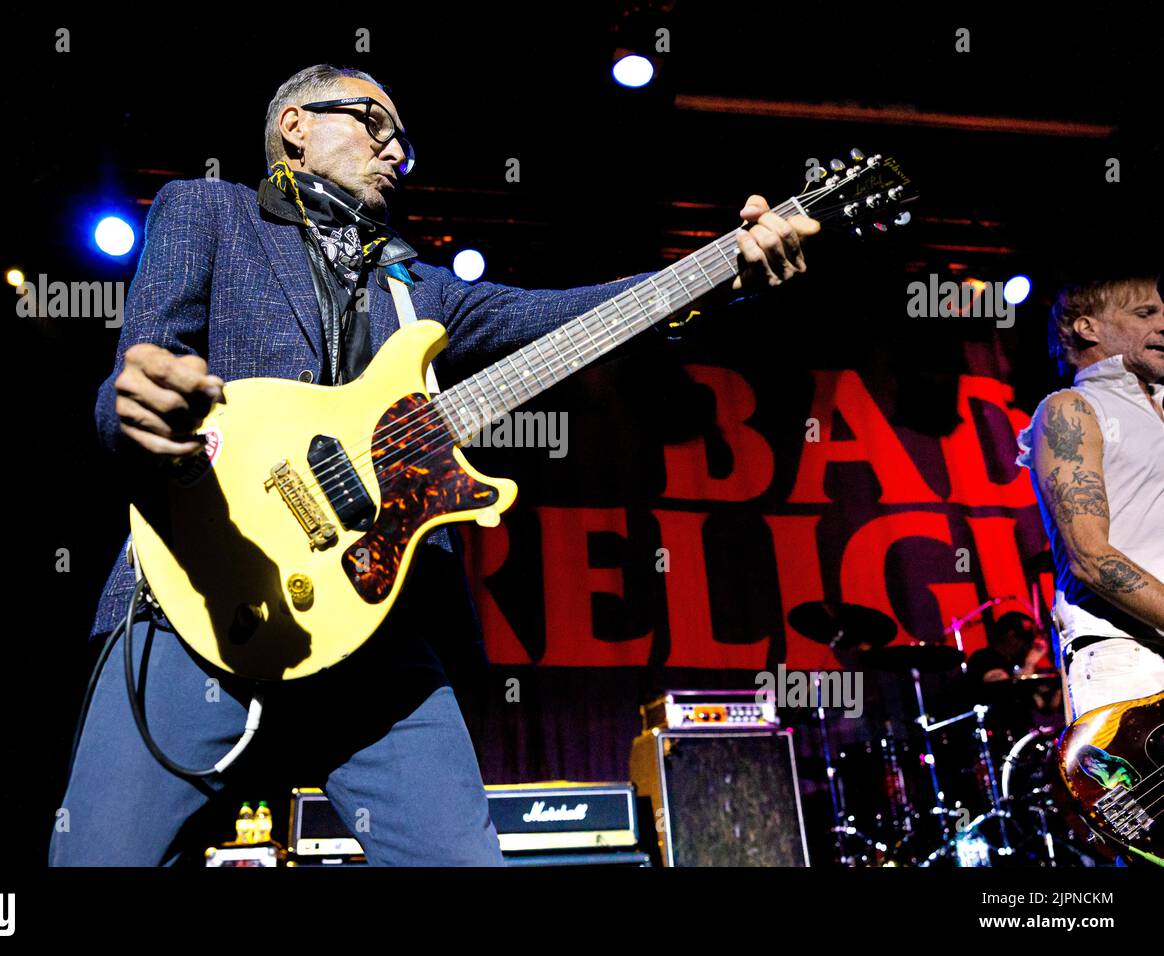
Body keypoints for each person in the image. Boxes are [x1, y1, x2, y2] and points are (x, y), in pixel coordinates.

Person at [49, 64, 818, 866]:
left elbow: (574, 315)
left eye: (405, 144)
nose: (396, 152)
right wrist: (145, 409)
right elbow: (132, 381)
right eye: (375, 124)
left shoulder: (419, 289)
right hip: (197, 597)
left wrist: (723, 266)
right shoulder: (209, 210)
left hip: (378, 620)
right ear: (295, 127)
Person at [1016, 272, 1164, 723]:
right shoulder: (1071, 410)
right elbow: (1091, 555)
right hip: (1130, 660)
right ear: (1087, 327)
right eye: (1145, 314)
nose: (1163, 324)